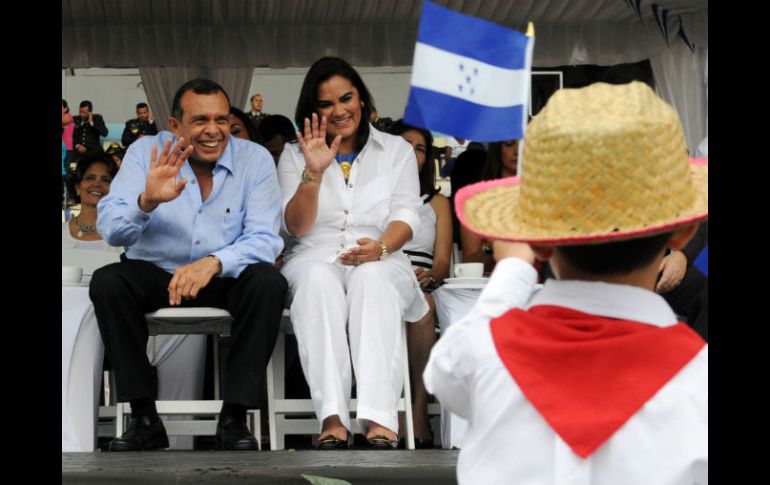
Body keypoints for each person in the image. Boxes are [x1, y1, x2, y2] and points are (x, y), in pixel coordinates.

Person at [425, 81, 707, 484]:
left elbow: (447, 369)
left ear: (536, 240)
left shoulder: (481, 353)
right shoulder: (699, 380)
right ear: (683, 231)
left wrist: (514, 268)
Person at [91, 78, 287, 451]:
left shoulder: (255, 159)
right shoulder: (145, 152)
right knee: (108, 282)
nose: (214, 130)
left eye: (221, 119)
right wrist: (146, 201)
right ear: (175, 125)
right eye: (200, 120)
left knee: (268, 283)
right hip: (156, 272)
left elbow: (265, 239)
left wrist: (214, 262)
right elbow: (111, 230)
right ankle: (144, 418)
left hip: (223, 275)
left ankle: (234, 419)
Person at [277, 56, 428, 450]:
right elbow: (296, 227)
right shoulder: (294, 154)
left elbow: (406, 214)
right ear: (313, 110)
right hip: (314, 254)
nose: (339, 110)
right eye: (326, 104)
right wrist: (313, 173)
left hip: (383, 254)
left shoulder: (396, 150)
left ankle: (380, 418)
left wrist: (381, 247)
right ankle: (332, 418)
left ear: (361, 99)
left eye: (346, 98)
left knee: (372, 278)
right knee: (316, 280)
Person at [62, 153, 205, 450]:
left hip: (136, 325)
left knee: (185, 329)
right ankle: (76, 438)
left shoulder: (128, 234)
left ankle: (178, 443)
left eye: (106, 179)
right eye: (90, 178)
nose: (97, 184)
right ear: (77, 186)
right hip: (78, 327)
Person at [388, 120, 452, 448]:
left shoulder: (437, 202)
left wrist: (430, 276)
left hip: (423, 280)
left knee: (423, 306)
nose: (413, 154)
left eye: (421, 149)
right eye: (406, 146)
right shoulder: (377, 195)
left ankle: (418, 408)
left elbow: (441, 261)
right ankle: (391, 411)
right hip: (385, 275)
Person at [461, 139, 520, 273]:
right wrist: (491, 247)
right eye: (510, 143)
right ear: (497, 149)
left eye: (524, 144)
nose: (517, 151)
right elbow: (469, 267)